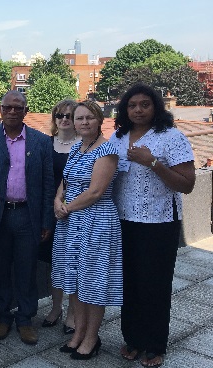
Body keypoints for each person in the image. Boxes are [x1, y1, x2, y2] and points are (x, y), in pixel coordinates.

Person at [109, 84, 195, 368]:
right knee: (129, 284)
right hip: (123, 221)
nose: (138, 110)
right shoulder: (118, 137)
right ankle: (132, 339)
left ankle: (155, 344)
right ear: (125, 110)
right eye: (132, 105)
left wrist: (153, 162)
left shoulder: (172, 138)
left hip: (159, 223)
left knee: (154, 285)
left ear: (156, 107)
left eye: (145, 104)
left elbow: (187, 184)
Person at [0, 90, 54, 345]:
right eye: (7, 107)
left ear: (25, 111)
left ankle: (25, 319)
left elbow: (47, 185)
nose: (12, 112)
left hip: (26, 216)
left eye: (17, 108)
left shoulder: (41, 142)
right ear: (0, 110)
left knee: (26, 269)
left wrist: (46, 221)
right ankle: (2, 317)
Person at [53, 101, 122, 360]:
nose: (83, 122)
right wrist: (57, 201)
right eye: (78, 118)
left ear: (99, 120)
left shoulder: (107, 150)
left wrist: (66, 207)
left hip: (96, 222)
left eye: (88, 118)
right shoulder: (77, 148)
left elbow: (95, 192)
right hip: (72, 223)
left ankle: (91, 338)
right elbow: (66, 180)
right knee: (77, 282)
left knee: (93, 282)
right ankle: (78, 333)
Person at [40, 99, 80, 334]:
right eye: (60, 115)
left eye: (69, 115)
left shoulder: (83, 145)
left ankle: (73, 314)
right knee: (53, 264)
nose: (64, 119)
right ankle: (56, 308)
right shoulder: (46, 144)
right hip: (49, 212)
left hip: (75, 212)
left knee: (74, 264)